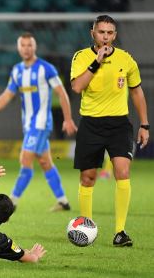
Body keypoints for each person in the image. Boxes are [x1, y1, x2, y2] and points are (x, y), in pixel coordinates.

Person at [70, 15, 149, 247]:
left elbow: (136, 92)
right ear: (92, 33)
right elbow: (76, 86)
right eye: (101, 32)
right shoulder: (81, 57)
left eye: (109, 32)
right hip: (91, 124)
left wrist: (144, 124)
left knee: (122, 172)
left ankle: (120, 231)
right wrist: (96, 61)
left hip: (118, 125)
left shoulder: (126, 59)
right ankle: (86, 228)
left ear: (115, 35)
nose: (105, 36)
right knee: (88, 178)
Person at [0, 32, 77, 211]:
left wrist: (68, 119)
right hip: (28, 124)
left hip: (40, 124)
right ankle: (63, 201)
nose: (26, 48)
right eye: (23, 45)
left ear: (34, 47)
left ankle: (12, 202)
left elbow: (61, 93)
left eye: (29, 45)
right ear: (18, 48)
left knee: (25, 160)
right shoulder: (17, 71)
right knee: (45, 162)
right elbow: (7, 96)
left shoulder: (46, 68)